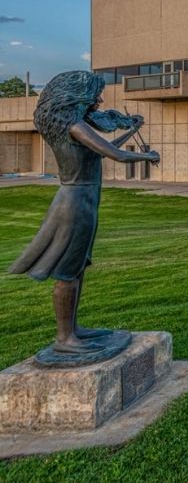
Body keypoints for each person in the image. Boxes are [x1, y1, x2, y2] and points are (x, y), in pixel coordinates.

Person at [8, 70, 159, 355]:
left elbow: (105, 149)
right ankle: (64, 338)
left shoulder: (76, 127)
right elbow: (119, 155)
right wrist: (148, 156)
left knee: (77, 267)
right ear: (77, 97)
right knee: (68, 270)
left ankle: (73, 329)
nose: (100, 100)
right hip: (76, 202)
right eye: (94, 96)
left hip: (83, 199)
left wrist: (130, 130)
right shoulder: (75, 127)